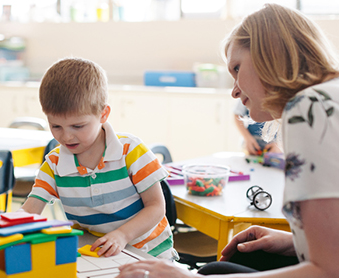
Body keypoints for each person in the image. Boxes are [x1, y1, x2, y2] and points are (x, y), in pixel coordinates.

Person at [116, 3, 339, 277]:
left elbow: (328, 271)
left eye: (236, 68)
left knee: (212, 272)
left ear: (269, 54)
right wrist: (293, 243)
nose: (234, 92)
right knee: (237, 262)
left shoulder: (307, 107)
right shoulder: (329, 97)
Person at [19, 57, 178, 260]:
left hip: (150, 253)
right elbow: (31, 208)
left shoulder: (131, 151)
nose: (66, 137)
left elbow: (156, 206)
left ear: (103, 114)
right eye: (56, 126)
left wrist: (122, 235)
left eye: (78, 126)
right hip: (97, 254)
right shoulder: (54, 164)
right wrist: (6, 226)